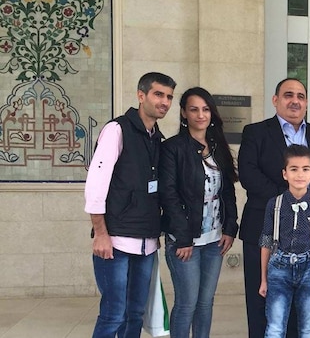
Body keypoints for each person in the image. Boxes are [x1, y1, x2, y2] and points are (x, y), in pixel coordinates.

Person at [238, 77, 310, 338]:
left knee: (303, 310)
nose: (294, 100)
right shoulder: (256, 133)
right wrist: (288, 200)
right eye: (288, 95)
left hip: (307, 238)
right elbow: (248, 173)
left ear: (306, 102)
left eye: (300, 96)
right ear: (276, 100)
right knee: (262, 305)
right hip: (263, 231)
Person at [84, 72, 176, 338]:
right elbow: (96, 183)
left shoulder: (157, 138)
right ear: (141, 95)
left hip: (146, 243)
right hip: (115, 242)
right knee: (114, 313)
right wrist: (101, 233)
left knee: (135, 313)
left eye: (169, 97)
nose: (165, 102)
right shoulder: (117, 130)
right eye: (158, 94)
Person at [159, 87, 239, 338]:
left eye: (205, 109)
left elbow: (227, 192)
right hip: (185, 241)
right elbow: (169, 195)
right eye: (194, 109)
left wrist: (229, 228)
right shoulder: (173, 148)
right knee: (186, 303)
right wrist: (183, 238)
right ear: (183, 113)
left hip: (214, 240)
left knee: (206, 302)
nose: (200, 115)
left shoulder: (218, 146)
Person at [258, 144, 310, 338]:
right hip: (279, 267)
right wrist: (264, 279)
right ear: (284, 174)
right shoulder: (275, 204)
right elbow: (266, 241)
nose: (300, 175)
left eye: (305, 169)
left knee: (309, 326)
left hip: (309, 268)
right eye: (294, 169)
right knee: (275, 326)